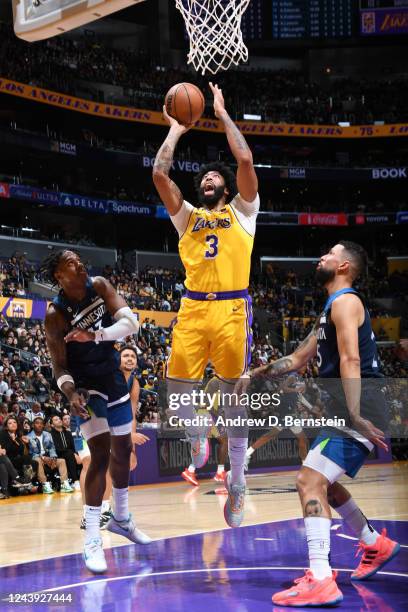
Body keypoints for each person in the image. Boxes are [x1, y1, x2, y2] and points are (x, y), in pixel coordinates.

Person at [238, 242, 400, 607]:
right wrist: (255, 373)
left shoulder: (346, 302)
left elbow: (351, 359)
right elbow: (296, 359)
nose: (321, 257)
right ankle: (375, 543)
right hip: (348, 408)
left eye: (329, 253)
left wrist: (357, 414)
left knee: (308, 481)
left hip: (357, 407)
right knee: (324, 484)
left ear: (343, 266)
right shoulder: (331, 307)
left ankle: (322, 579)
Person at [153, 82, 259, 527]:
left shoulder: (243, 212)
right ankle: (197, 439)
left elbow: (246, 160)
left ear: (227, 186)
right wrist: (177, 128)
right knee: (176, 396)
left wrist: (219, 112)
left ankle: (236, 483)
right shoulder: (188, 217)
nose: (207, 180)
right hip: (193, 309)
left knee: (234, 402)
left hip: (232, 309)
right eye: (203, 179)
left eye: (214, 177)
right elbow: (160, 175)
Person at [42, 249, 151, 574]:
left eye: (77, 258)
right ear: (59, 276)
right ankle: (92, 537)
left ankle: (121, 517)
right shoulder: (55, 314)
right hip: (85, 388)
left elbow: (132, 323)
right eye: (70, 263)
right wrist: (70, 391)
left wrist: (97, 335)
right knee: (100, 455)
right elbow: (58, 365)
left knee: (124, 450)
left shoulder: (100, 286)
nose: (78, 264)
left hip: (111, 376)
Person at [244, 374, 309, 470]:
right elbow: (281, 388)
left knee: (301, 439)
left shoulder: (300, 380)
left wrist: (310, 407)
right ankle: (305, 465)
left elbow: (300, 396)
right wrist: (296, 390)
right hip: (286, 411)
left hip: (290, 412)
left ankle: (248, 452)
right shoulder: (293, 377)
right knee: (301, 439)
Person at [181, 375, 228, 486]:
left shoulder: (218, 384)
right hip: (206, 415)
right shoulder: (215, 382)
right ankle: (219, 472)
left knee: (206, 443)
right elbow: (206, 404)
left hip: (207, 415)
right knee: (223, 441)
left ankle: (191, 471)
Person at [118, 345, 150, 470]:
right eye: (125, 356)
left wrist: (132, 446)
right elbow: (104, 414)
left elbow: (131, 413)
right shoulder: (110, 378)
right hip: (98, 422)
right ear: (117, 360)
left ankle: (118, 489)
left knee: (130, 462)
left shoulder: (134, 382)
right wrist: (127, 437)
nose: (130, 359)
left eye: (133, 356)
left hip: (117, 425)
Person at [27, 416, 73, 494]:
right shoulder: (29, 436)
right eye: (37, 423)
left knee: (61, 461)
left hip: (48, 456)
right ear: (33, 425)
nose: (39, 425)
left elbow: (52, 447)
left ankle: (64, 483)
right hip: (37, 457)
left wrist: (53, 457)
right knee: (37, 460)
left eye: (41, 423)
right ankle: (45, 485)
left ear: (44, 425)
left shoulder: (47, 434)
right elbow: (32, 453)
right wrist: (43, 458)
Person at [50, 414, 81, 490]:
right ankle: (75, 481)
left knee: (80, 456)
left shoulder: (68, 433)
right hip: (58, 455)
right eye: (56, 420)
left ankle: (83, 480)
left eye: (59, 419)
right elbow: (57, 448)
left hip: (69, 454)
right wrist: (73, 453)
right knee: (70, 454)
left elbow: (73, 447)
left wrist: (76, 454)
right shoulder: (51, 434)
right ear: (52, 424)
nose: (59, 420)